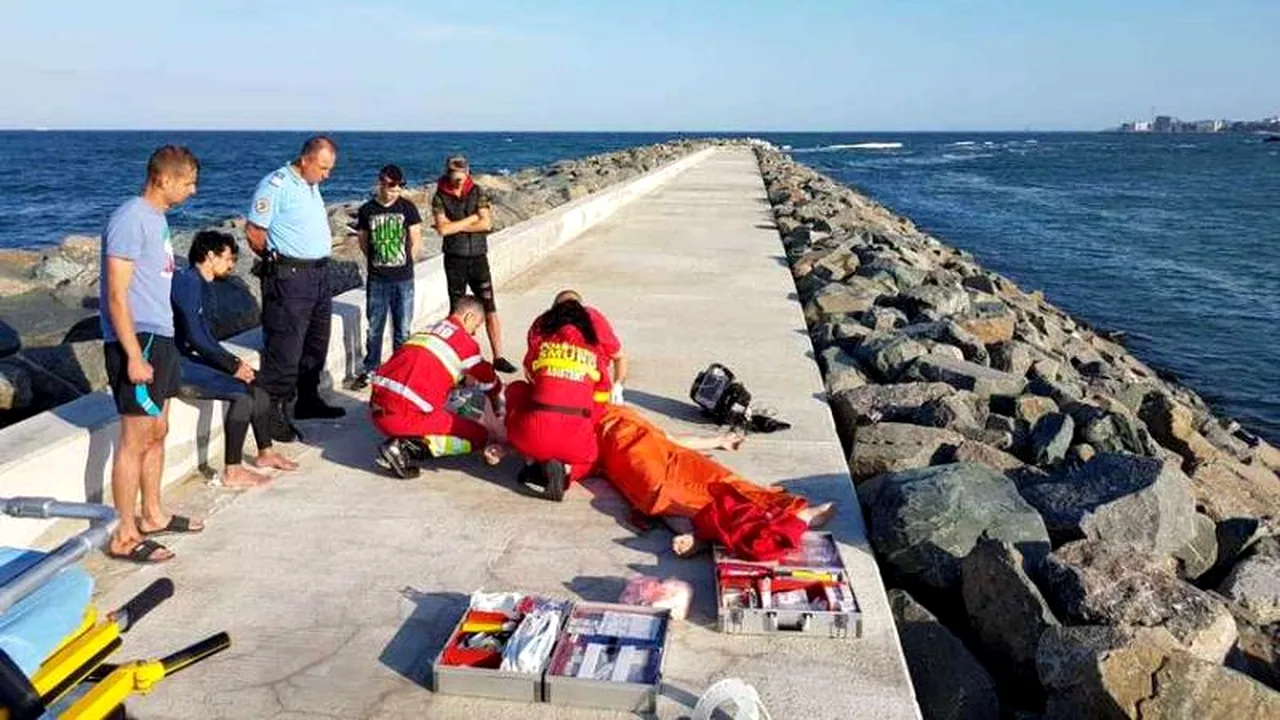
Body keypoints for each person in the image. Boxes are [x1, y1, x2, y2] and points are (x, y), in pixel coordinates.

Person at [99, 145, 204, 564]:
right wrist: (132, 355)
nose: (193, 191)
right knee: (134, 439)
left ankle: (153, 514)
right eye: (188, 182)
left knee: (158, 431)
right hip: (137, 339)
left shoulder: (155, 220)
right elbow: (116, 295)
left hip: (159, 336)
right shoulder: (130, 218)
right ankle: (124, 534)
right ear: (164, 179)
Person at [594, 404, 836, 558]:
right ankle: (707, 534)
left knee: (716, 485)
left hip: (661, 457)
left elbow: (669, 438)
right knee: (674, 496)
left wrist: (718, 441)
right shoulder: (611, 414)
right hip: (643, 461)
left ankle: (706, 534)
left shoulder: (616, 413)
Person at [172, 230, 300, 488]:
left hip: (189, 356)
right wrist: (231, 365)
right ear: (210, 256)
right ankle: (232, 470)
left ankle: (265, 453)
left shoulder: (202, 284)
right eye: (229, 258)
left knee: (256, 383)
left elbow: (204, 336)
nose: (232, 265)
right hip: (175, 364)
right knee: (242, 393)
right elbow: (196, 337)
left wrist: (236, 364)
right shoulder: (187, 282)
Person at [245, 135, 345, 442]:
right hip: (290, 276)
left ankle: (308, 398)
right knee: (285, 347)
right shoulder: (276, 185)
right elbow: (254, 232)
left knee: (316, 341)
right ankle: (274, 412)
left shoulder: (310, 185)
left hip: (317, 274)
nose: (326, 175)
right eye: (323, 167)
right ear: (305, 160)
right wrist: (278, 262)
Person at [370, 296, 505, 479]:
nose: (474, 333)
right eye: (476, 326)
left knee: (447, 403)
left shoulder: (428, 330)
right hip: (403, 415)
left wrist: (461, 382)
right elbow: (488, 379)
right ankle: (405, 447)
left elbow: (428, 367)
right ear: (469, 317)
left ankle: (405, 439)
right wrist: (497, 399)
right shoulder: (464, 343)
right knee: (478, 436)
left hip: (378, 407)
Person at [503, 297, 615, 500]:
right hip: (576, 439)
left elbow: (531, 378)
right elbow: (602, 396)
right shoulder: (594, 354)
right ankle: (568, 471)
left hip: (533, 433)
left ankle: (531, 461)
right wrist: (587, 423)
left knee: (517, 388)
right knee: (595, 459)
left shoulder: (542, 346)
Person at [431, 154, 516, 374]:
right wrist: (471, 219)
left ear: (467, 172)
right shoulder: (439, 195)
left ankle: (498, 357)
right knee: (457, 312)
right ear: (448, 174)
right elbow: (443, 229)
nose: (459, 182)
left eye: (462, 177)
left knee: (489, 307)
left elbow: (486, 223)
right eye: (455, 177)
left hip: (478, 257)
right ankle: (458, 359)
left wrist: (456, 225)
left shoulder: (477, 191)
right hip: (454, 258)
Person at [350, 164, 422, 390]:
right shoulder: (367, 210)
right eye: (391, 186)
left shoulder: (407, 208)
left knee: (402, 328)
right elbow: (363, 240)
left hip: (403, 279)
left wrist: (405, 262)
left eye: (400, 186)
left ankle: (401, 370)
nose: (395, 190)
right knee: (375, 328)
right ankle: (371, 369)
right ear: (381, 183)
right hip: (378, 279)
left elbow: (416, 238)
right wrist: (377, 261)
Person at [542, 289, 627, 405]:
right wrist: (617, 388)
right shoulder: (594, 320)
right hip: (591, 397)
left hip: (553, 399)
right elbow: (619, 356)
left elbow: (530, 370)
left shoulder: (543, 325)